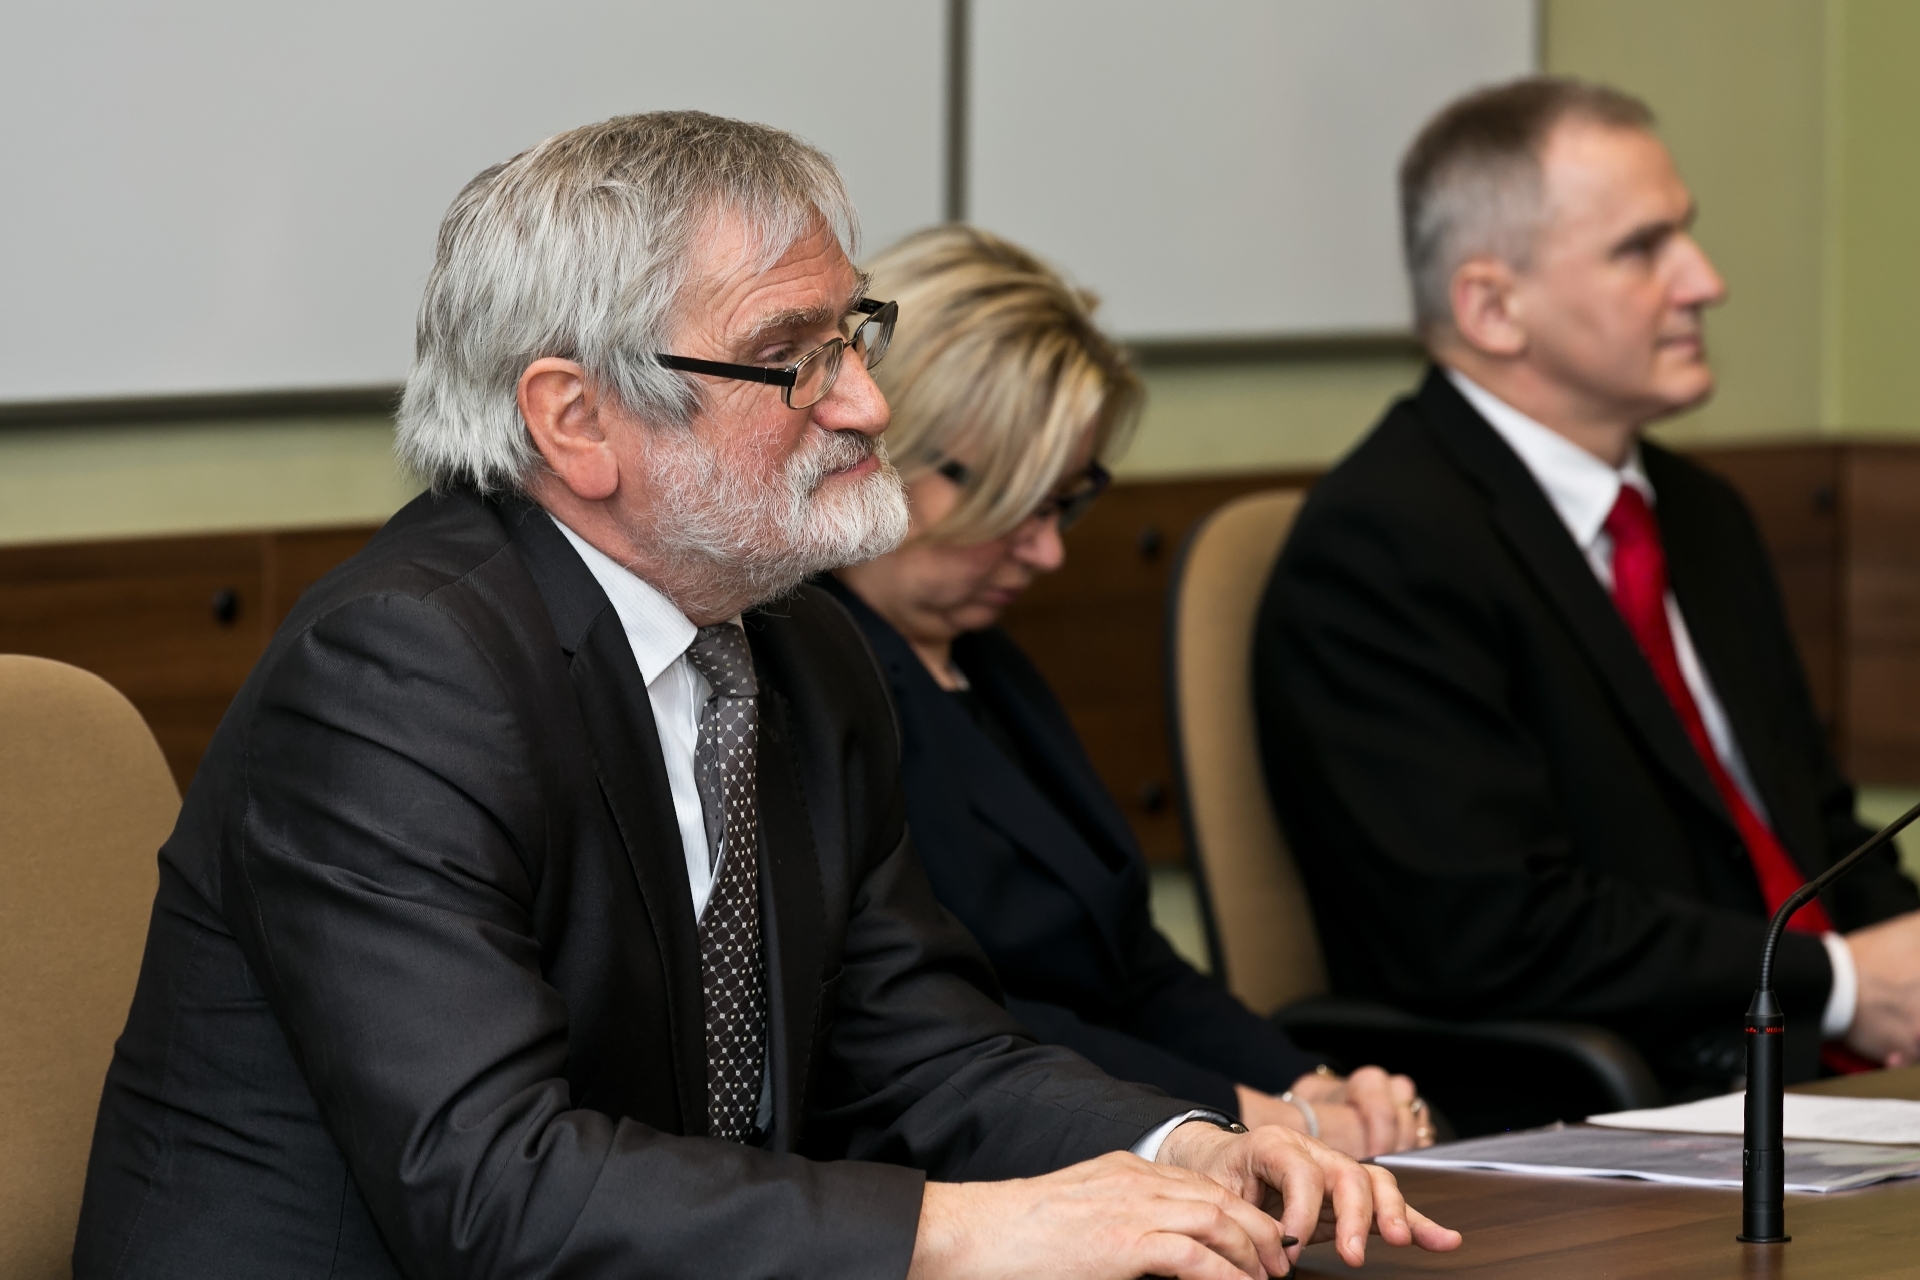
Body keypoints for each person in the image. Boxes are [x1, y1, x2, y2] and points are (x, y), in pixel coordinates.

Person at [74, 113, 1456, 1279]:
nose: (865, 404)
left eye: (855, 335)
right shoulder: (396, 675)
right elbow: (492, 1185)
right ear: (576, 420)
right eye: (795, 356)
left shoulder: (800, 648)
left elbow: (921, 1051)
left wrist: (1185, 1146)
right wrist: (968, 1229)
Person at [1255, 77, 1920, 1096]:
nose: (1704, 280)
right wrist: (1838, 982)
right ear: (1493, 308)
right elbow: (1488, 928)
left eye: (1685, 233)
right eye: (1642, 249)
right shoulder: (1382, 547)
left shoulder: (1701, 513)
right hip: (1624, 1098)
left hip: (1830, 1068)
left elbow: (1816, 830)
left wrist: (1901, 957)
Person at [827, 225, 1431, 1160]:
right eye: (1019, 505)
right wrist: (1270, 1121)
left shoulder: (985, 659)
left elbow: (1130, 960)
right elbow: (954, 1014)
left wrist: (1306, 1083)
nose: (1048, 552)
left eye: (1067, 503)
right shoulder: (810, 677)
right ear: (889, 444)